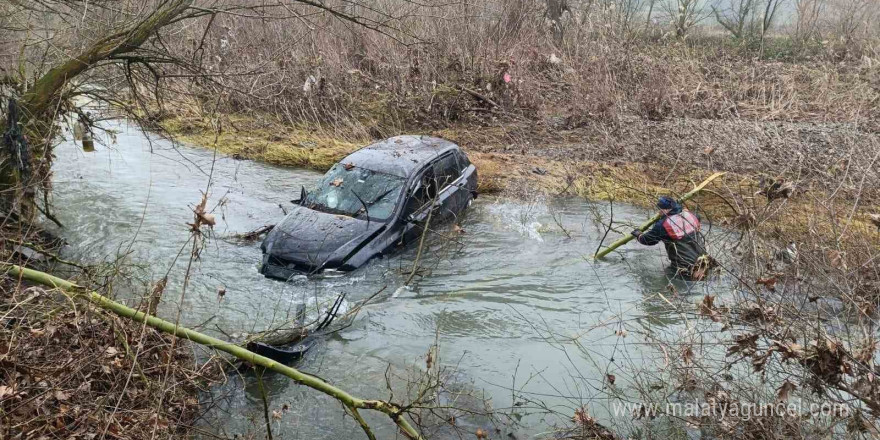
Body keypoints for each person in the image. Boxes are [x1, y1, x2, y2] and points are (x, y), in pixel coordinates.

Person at [631, 196, 710, 279]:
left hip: (684, 268)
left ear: (664, 210)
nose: (659, 212)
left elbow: (648, 240)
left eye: (660, 209)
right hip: (704, 262)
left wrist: (639, 235)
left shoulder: (664, 225)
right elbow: (697, 217)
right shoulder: (691, 215)